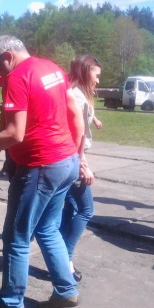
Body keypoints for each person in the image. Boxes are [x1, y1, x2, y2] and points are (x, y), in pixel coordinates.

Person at [0, 35, 84, 308]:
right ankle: (66, 289)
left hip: (41, 166)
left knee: (15, 236)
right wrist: (77, 154)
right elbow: (75, 112)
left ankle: (11, 302)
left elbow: (14, 133)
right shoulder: (53, 69)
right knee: (47, 228)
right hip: (66, 160)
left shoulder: (18, 77)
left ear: (8, 56)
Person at [60, 55, 103, 283]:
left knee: (69, 210)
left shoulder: (76, 92)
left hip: (72, 159)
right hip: (73, 160)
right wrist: (82, 164)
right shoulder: (76, 96)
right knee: (86, 210)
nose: (97, 80)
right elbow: (73, 133)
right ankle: (64, 259)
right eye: (96, 75)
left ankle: (62, 260)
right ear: (86, 72)